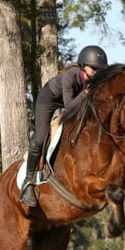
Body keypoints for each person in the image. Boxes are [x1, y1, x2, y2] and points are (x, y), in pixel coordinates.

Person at [20, 45, 109, 207]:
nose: (97, 72)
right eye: (94, 68)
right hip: (49, 100)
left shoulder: (95, 81)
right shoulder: (70, 76)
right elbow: (68, 107)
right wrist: (86, 93)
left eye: (100, 69)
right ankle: (28, 181)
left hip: (73, 102)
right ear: (83, 66)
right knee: (40, 139)